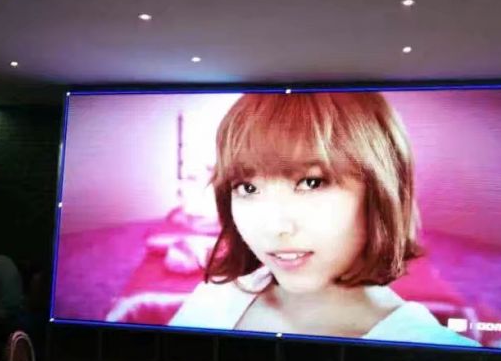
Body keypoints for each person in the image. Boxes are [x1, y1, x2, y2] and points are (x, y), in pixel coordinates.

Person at [170, 92, 478, 347]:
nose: (274, 228)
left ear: (379, 189)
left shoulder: (433, 349)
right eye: (247, 188)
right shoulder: (217, 297)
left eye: (311, 183)